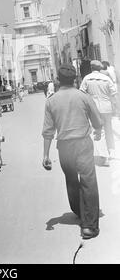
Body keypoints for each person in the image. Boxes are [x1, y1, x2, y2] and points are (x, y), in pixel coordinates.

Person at [42, 63, 102, 240]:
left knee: (71, 180)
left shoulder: (51, 101)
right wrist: (97, 130)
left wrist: (45, 155)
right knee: (88, 182)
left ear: (58, 80)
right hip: (82, 144)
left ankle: (78, 211)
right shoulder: (83, 97)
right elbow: (97, 122)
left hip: (64, 147)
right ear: (75, 79)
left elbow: (47, 131)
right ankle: (89, 226)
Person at [80, 60, 118, 165]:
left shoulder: (86, 79)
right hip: (107, 109)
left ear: (91, 68)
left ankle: (104, 156)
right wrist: (117, 108)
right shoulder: (106, 79)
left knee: (98, 132)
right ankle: (112, 152)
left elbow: (82, 94)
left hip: (94, 110)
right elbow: (114, 94)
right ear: (100, 68)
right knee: (108, 130)